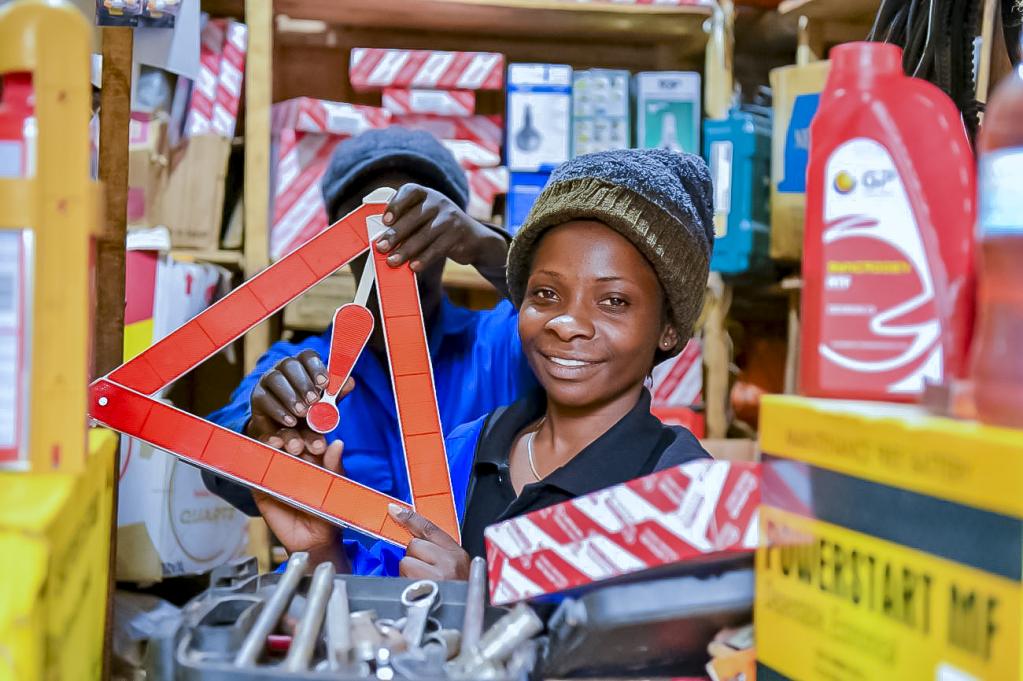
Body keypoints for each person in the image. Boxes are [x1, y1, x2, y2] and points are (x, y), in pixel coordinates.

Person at [294, 148, 716, 578]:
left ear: (667, 328)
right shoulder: (467, 449)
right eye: (546, 294)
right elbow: (387, 588)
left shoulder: (683, 489)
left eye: (613, 301)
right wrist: (322, 551)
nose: (568, 324)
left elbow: (661, 641)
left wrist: (472, 599)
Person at [202, 128, 537, 528]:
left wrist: (490, 247)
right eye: (371, 226)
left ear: (454, 236)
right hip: (345, 584)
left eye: (421, 226)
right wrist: (260, 433)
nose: (395, 243)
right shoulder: (302, 368)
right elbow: (219, 465)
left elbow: (581, 320)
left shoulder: (504, 340)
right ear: (339, 243)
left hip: (480, 585)